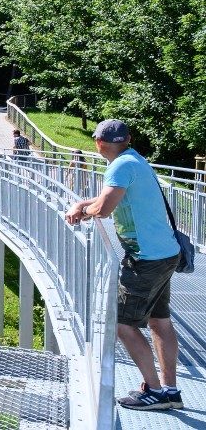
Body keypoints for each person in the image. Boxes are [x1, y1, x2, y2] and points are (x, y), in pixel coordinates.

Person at [65, 119, 182, 411]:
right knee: (159, 320)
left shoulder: (119, 165)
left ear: (98, 143)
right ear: (128, 139)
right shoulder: (135, 160)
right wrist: (84, 205)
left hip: (146, 259)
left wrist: (83, 211)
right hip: (165, 252)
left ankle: (155, 392)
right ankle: (170, 390)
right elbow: (112, 197)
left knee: (123, 324)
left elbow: (104, 208)